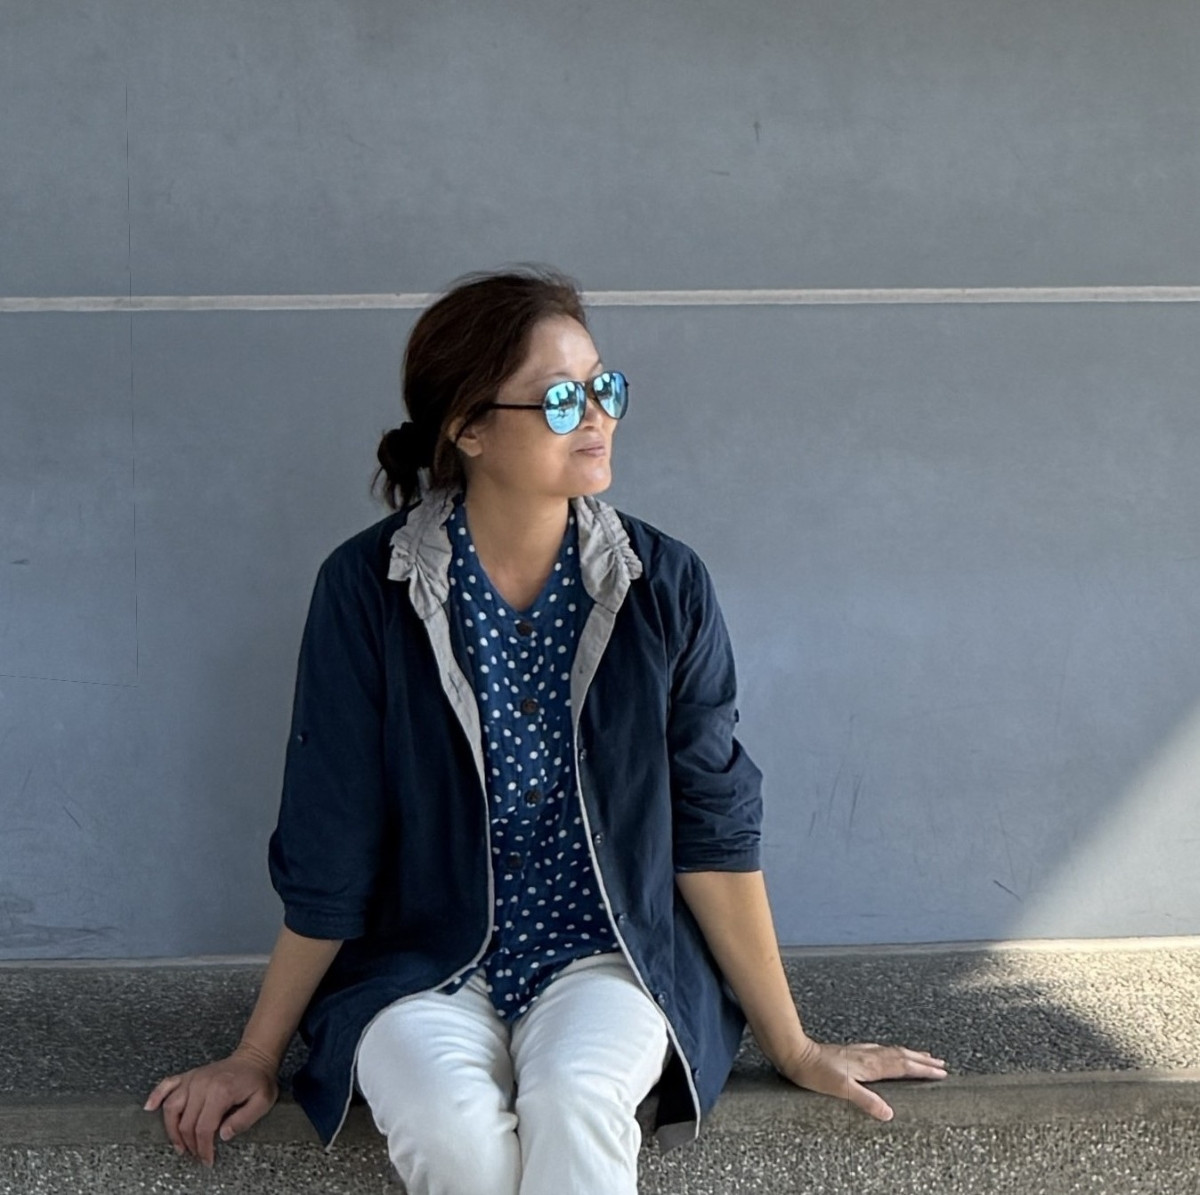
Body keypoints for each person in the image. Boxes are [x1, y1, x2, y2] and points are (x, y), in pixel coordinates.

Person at [144, 267, 947, 1193]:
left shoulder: (664, 585)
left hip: (610, 955)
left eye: (605, 388)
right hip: (422, 964)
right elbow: (331, 845)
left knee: (578, 1099)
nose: (597, 416)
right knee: (452, 1133)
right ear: (469, 427)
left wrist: (794, 1044)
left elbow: (713, 830)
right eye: (562, 399)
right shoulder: (367, 591)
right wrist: (255, 1053)